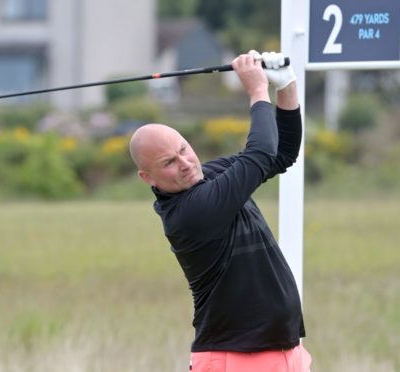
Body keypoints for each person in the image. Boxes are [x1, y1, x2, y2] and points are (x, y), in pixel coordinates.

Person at [129, 51, 312, 372]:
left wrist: (286, 86)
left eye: (183, 149)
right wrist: (257, 91)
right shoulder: (191, 213)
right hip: (236, 360)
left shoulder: (209, 177)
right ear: (148, 178)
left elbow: (280, 154)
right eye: (168, 163)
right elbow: (260, 153)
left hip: (284, 353)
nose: (186, 164)